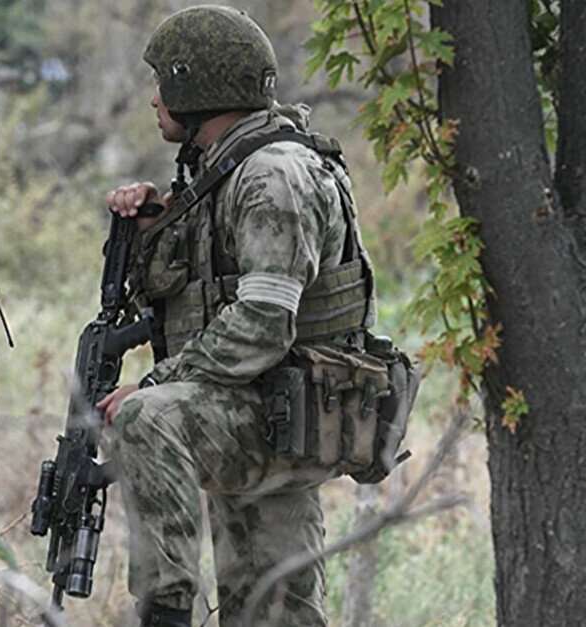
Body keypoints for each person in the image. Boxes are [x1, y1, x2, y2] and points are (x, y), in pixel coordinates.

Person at [95, 6, 396, 626]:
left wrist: (154, 383)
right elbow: (195, 293)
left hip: (280, 408)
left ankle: (165, 614)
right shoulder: (228, 169)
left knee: (147, 418)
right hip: (261, 402)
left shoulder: (271, 175)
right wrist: (154, 228)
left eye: (163, 82)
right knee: (273, 611)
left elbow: (263, 321)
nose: (154, 99)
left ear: (195, 87)